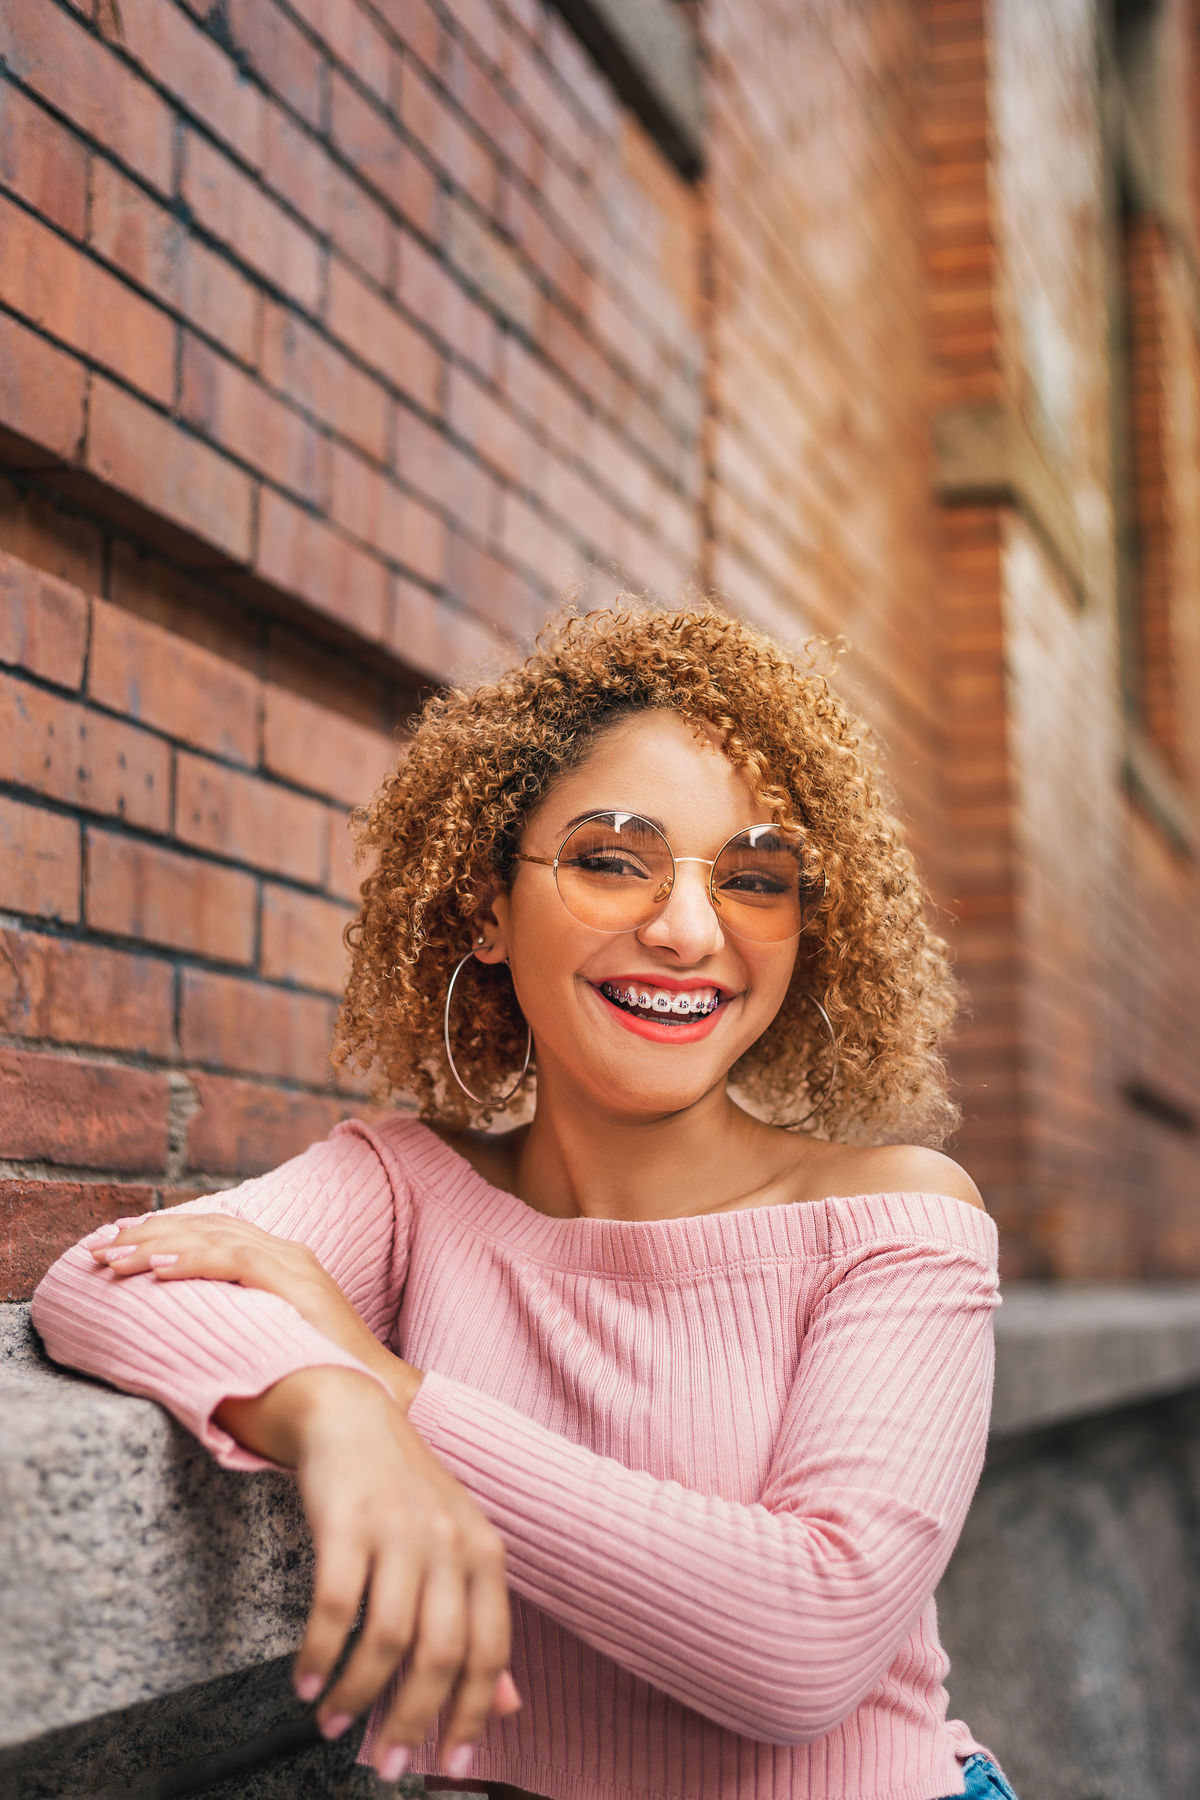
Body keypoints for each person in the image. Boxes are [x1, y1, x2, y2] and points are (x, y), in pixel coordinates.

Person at [32, 602, 1019, 1800]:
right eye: (613, 860)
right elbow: (106, 1278)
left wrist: (407, 1398)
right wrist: (333, 1413)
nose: (691, 928)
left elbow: (804, 1642)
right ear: (490, 909)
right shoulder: (408, 1190)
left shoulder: (896, 1219)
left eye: (755, 878)